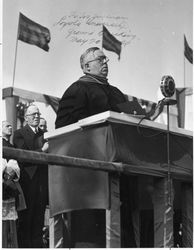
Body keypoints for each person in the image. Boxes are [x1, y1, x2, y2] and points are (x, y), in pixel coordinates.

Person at [55, 47, 165, 247]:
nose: (105, 62)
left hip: (121, 168)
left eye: (106, 59)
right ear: (87, 67)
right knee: (92, 236)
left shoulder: (116, 93)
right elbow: (63, 130)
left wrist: (156, 109)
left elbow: (139, 118)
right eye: (100, 59)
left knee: (123, 231)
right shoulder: (76, 90)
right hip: (91, 175)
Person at [13, 104, 49, 248]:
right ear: (26, 118)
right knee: (26, 219)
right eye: (33, 114)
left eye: (38, 114)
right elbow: (23, 156)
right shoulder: (19, 134)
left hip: (41, 182)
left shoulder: (44, 134)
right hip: (27, 183)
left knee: (39, 218)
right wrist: (42, 150)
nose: (36, 116)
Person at [2, 121, 26, 248]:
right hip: (3, 184)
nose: (10, 127)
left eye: (11, 125)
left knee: (11, 225)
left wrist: (12, 172)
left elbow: (15, 166)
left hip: (11, 184)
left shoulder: (12, 145)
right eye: (7, 125)